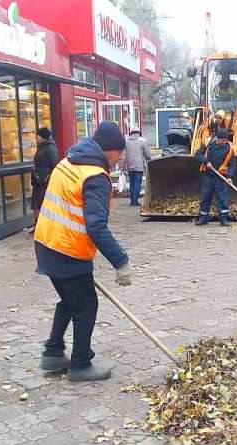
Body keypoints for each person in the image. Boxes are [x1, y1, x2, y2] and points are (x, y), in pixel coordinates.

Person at [34, 122, 132, 382]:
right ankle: (80, 365)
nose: (120, 158)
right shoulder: (95, 176)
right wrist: (121, 261)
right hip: (68, 250)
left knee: (69, 300)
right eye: (119, 152)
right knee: (86, 305)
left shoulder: (68, 161)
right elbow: (96, 226)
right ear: (109, 150)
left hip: (46, 243)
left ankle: (53, 353)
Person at [194, 128, 236, 226]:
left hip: (221, 178)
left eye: (226, 140)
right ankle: (203, 218)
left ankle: (223, 219)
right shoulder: (208, 143)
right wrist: (206, 162)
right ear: (217, 138)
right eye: (222, 140)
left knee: (222, 198)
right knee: (206, 197)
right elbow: (197, 154)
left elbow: (232, 163)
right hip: (208, 176)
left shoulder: (229, 148)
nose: (224, 142)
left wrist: (229, 176)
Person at [28, 127, 60, 233]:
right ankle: (38, 226)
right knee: (37, 203)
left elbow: (55, 164)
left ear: (41, 136)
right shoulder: (42, 147)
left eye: (37, 136)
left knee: (42, 203)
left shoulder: (50, 148)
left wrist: (48, 177)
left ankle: (44, 226)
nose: (36, 138)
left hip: (44, 181)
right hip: (38, 180)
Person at [119, 128, 150, 207]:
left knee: (132, 183)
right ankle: (135, 201)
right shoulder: (143, 141)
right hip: (139, 166)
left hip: (129, 166)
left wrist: (122, 166)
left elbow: (123, 155)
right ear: (139, 133)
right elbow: (147, 154)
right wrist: (148, 159)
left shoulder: (127, 142)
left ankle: (132, 200)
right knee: (137, 183)